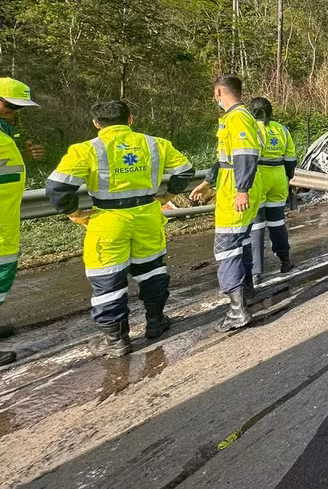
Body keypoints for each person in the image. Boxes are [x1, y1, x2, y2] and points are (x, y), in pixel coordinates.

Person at [45, 101, 194, 357]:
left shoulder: (87, 150)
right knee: (152, 271)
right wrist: (166, 196)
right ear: (131, 119)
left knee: (108, 280)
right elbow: (185, 171)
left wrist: (76, 214)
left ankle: (117, 340)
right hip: (147, 216)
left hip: (107, 221)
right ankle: (156, 322)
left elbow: (57, 188)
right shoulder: (155, 144)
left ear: (96, 123)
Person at [190, 74, 263, 332]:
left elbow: (245, 155)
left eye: (215, 94)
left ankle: (237, 310)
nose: (214, 99)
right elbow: (225, 159)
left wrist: (241, 189)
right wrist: (208, 183)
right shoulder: (233, 119)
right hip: (232, 190)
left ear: (220, 92)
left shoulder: (238, 118)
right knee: (240, 245)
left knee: (227, 249)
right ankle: (247, 295)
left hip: (236, 194)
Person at [0, 78, 43, 366]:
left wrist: (27, 156)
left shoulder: (6, 133)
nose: (15, 111)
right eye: (10, 105)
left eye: (19, 107)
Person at [248, 97, 296, 283]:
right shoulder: (282, 129)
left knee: (257, 224)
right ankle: (285, 261)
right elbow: (291, 160)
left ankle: (256, 271)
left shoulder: (250, 128)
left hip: (258, 176)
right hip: (278, 177)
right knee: (277, 222)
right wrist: (287, 179)